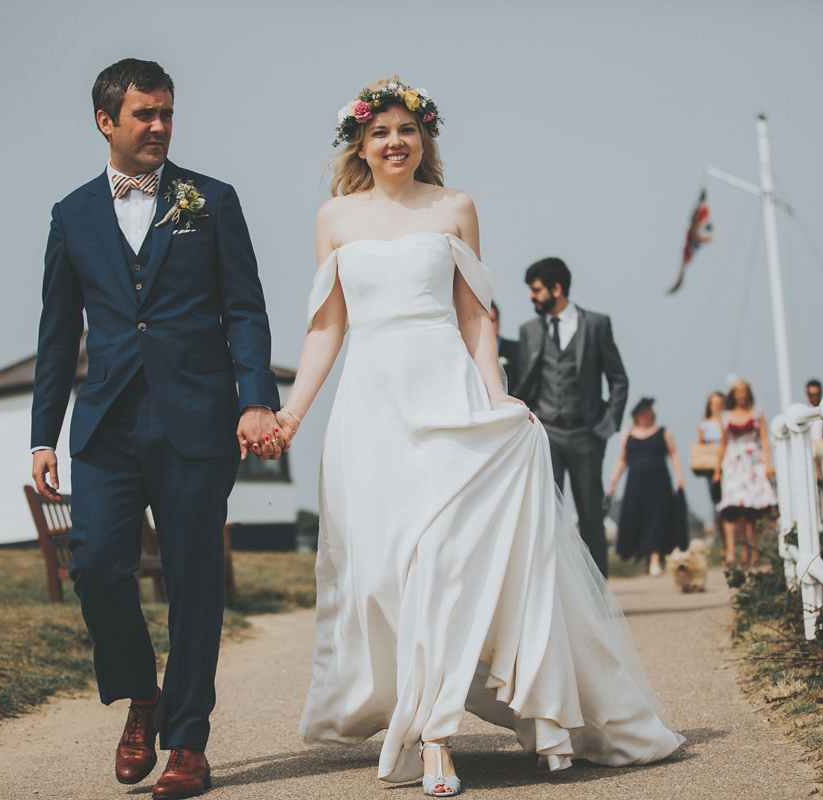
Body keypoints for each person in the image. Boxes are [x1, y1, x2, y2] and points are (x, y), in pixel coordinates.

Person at [274, 77, 681, 797]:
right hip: (369, 413)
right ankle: (419, 708)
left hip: (447, 403)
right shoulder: (333, 219)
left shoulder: (454, 207)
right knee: (379, 576)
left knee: (443, 565)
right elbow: (327, 326)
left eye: (407, 128)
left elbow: (477, 316)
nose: (395, 141)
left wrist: (498, 395)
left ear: (425, 136)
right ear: (359, 144)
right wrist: (294, 413)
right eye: (380, 131)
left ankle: (434, 739)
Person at [30, 59, 281, 799]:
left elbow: (245, 309)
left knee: (195, 580)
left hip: (196, 422)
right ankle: (144, 694)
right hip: (105, 423)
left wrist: (256, 398)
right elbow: (56, 334)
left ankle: (189, 743)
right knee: (99, 565)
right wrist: (44, 435)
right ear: (106, 122)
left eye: (167, 112)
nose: (160, 127)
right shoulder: (71, 214)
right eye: (145, 114)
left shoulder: (212, 201)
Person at [514, 257, 629, 577]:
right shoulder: (529, 331)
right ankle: (551, 596)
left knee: (592, 517)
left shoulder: (596, 324)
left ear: (557, 288)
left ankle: (598, 595)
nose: (530, 296)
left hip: (586, 434)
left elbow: (619, 379)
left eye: (535, 290)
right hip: (546, 433)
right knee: (545, 515)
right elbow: (524, 384)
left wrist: (607, 427)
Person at [607, 397, 686, 576]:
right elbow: (621, 459)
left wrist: (679, 477)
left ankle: (656, 558)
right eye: (642, 413)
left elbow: (674, 454)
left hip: (659, 484)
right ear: (636, 416)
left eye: (648, 413)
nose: (645, 416)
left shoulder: (663, 432)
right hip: (636, 485)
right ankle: (646, 557)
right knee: (639, 519)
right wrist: (613, 482)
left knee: (657, 519)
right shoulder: (628, 435)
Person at [713, 379, 778, 569]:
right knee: (738, 509)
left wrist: (768, 463)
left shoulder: (757, 413)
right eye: (739, 392)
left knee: (755, 509)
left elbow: (764, 439)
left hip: (753, 462)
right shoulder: (725, 416)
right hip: (734, 463)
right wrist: (717, 469)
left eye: (745, 391)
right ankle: (745, 549)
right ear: (733, 394)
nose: (742, 395)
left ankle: (756, 549)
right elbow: (722, 444)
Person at [697, 390, 727, 554]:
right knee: (718, 508)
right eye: (714, 403)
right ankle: (723, 545)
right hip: (712, 471)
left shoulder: (728, 421)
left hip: (730, 467)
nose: (717, 407)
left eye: (719, 403)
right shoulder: (704, 425)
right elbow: (701, 448)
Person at [488, 300, 519, 390]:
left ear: (498, 324)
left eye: (492, 320)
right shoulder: (468, 353)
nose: (488, 326)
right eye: (485, 321)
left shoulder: (517, 350)